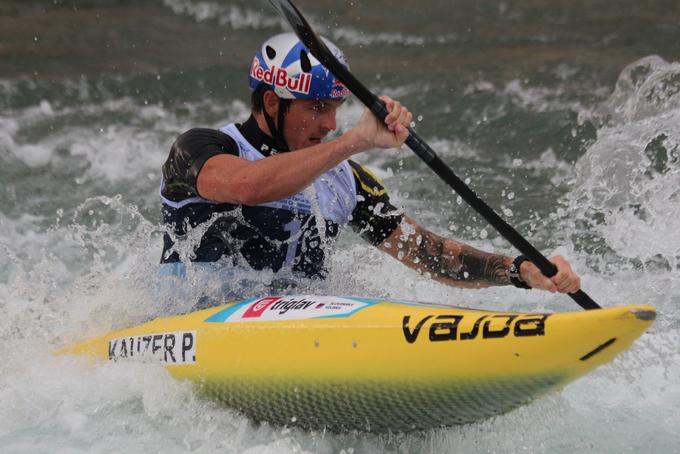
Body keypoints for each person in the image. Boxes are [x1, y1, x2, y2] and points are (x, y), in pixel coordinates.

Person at [158, 33, 581, 299]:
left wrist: (520, 271)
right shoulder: (202, 147)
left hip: (297, 332)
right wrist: (356, 140)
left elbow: (427, 254)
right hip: (191, 329)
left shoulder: (345, 180)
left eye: (337, 109)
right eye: (317, 107)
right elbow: (247, 187)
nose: (329, 123)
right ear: (272, 102)